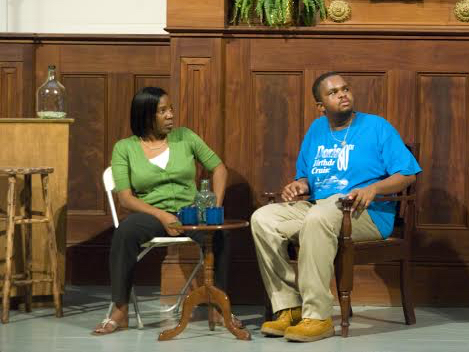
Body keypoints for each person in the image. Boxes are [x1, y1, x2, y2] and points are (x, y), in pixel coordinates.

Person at [251, 72, 421, 342]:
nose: (343, 94)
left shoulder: (377, 127)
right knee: (263, 218)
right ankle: (288, 307)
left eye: (345, 89)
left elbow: (408, 174)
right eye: (333, 92)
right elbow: (306, 176)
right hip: (319, 207)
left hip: (365, 212)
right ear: (320, 106)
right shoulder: (316, 130)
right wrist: (299, 185)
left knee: (319, 216)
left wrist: (373, 188)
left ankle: (318, 316)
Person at [93, 87, 239, 334]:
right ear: (145, 115)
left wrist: (214, 205)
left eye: (170, 109)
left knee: (220, 235)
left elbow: (219, 168)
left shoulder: (186, 137)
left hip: (190, 212)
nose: (171, 115)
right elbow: (126, 199)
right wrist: (162, 215)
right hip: (151, 213)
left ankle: (219, 306)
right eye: (163, 111)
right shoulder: (124, 148)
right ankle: (120, 309)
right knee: (124, 234)